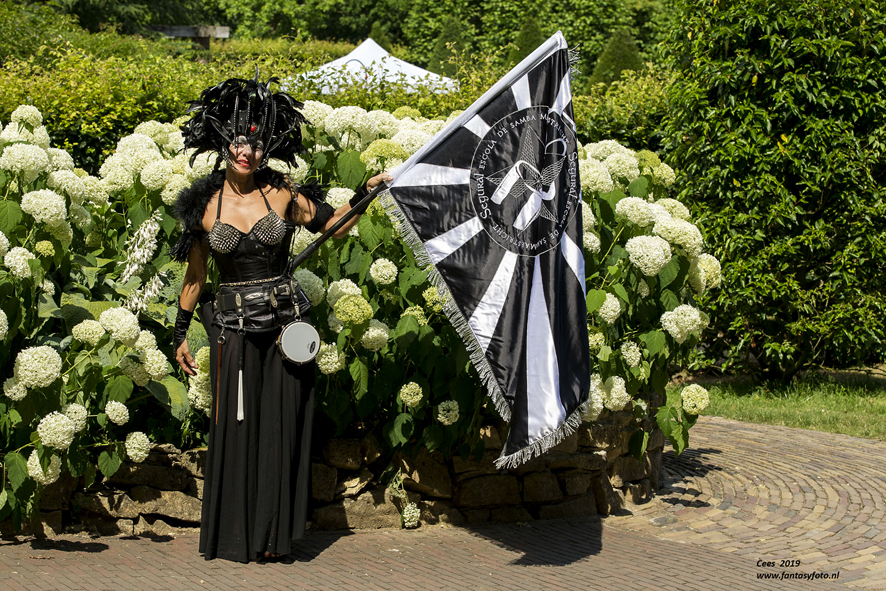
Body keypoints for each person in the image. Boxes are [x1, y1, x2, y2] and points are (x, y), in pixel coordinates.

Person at [168, 74, 389, 563]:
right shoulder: (203, 206)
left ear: (265, 148)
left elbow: (333, 225)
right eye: (237, 142)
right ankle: (236, 536)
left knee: (280, 429)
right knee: (237, 429)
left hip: (285, 331)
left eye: (254, 144)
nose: (245, 152)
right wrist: (180, 334)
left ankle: (273, 537)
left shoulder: (282, 192)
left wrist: (365, 190)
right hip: (233, 333)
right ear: (222, 143)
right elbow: (196, 278)